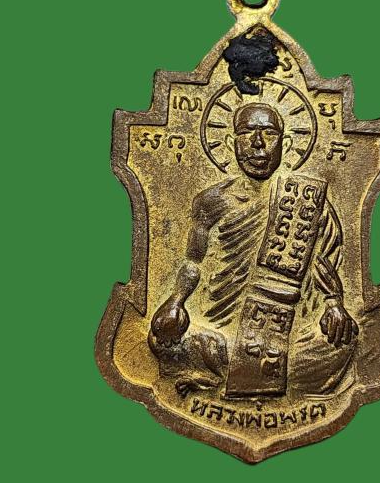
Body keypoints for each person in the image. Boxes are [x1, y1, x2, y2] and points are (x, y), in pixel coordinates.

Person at [148, 102, 358, 398]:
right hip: (221, 333)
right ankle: (235, 371)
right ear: (231, 141)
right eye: (247, 133)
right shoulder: (210, 201)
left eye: (268, 134)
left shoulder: (306, 200)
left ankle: (223, 376)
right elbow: (193, 261)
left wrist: (334, 305)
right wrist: (175, 302)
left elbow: (326, 264)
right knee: (160, 338)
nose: (258, 143)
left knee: (344, 343)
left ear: (285, 144)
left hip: (285, 335)